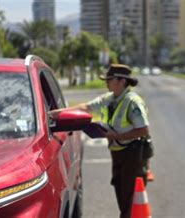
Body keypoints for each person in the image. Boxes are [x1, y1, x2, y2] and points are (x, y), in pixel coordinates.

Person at [50, 64, 150, 218]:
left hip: (132, 154)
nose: (106, 82)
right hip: (117, 153)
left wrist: (114, 136)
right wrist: (55, 114)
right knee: (121, 196)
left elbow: (143, 130)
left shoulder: (132, 102)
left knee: (128, 202)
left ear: (122, 81)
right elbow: (86, 107)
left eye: (110, 79)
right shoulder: (110, 98)